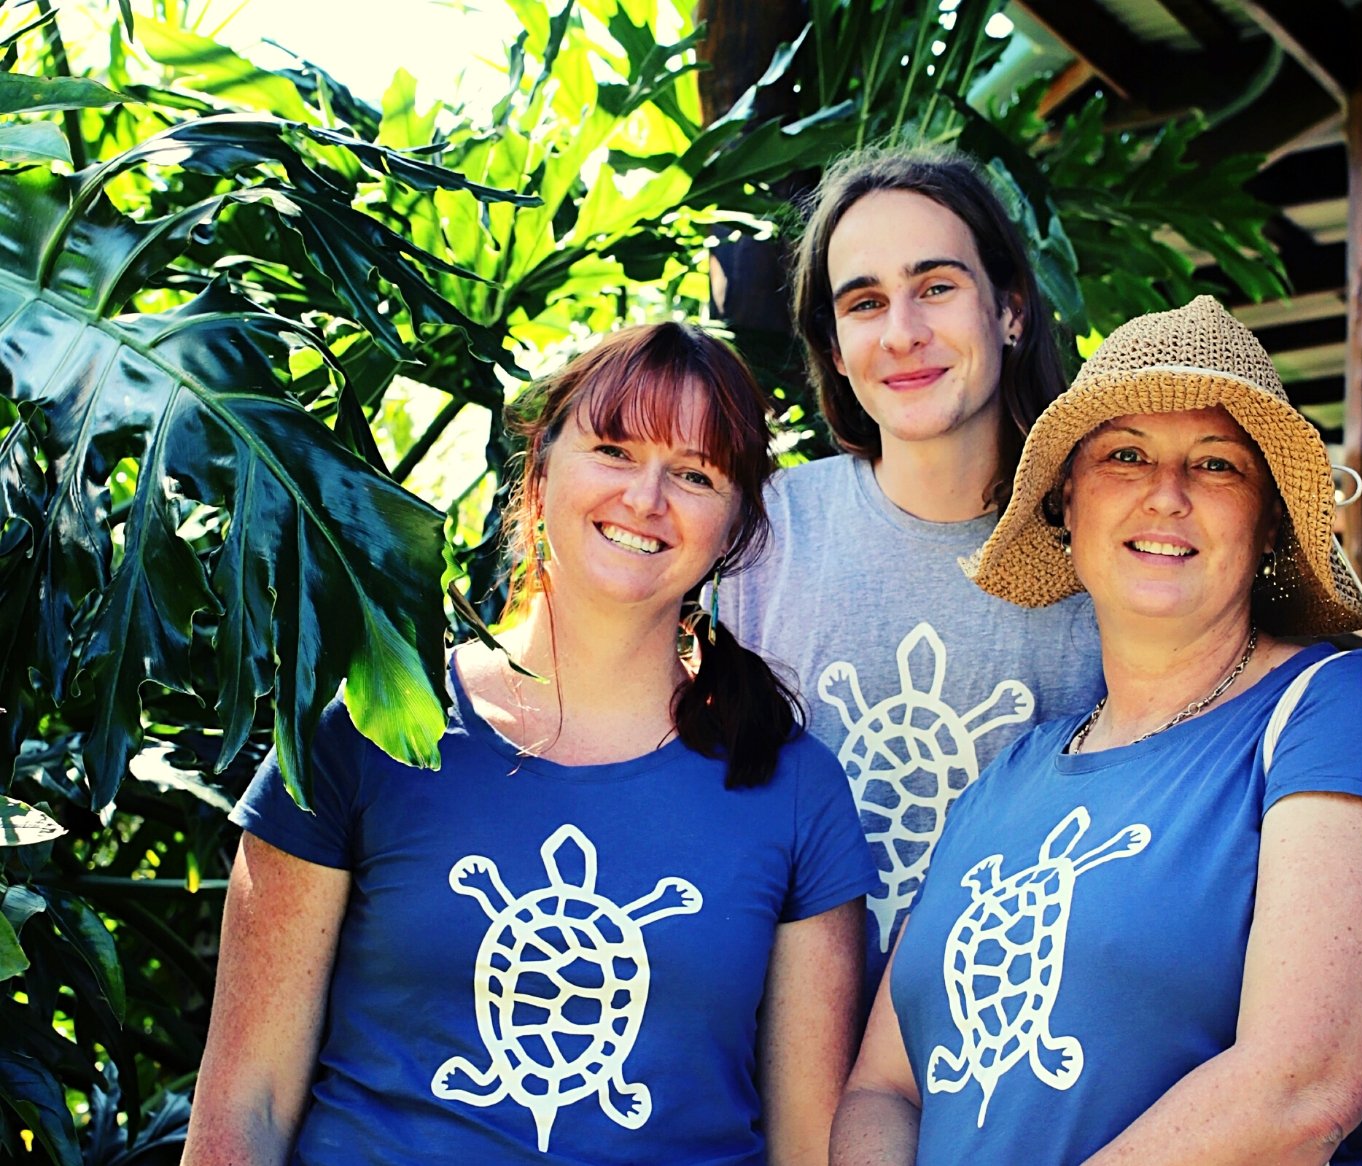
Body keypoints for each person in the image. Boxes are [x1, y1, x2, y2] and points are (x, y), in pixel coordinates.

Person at [185, 323, 878, 1166]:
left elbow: (809, 1149)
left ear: (734, 528)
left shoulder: (792, 789)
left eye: (694, 473)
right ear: (540, 470)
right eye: (616, 450)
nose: (646, 498)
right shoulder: (373, 728)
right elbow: (241, 1109)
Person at [832, 297, 1362, 1165]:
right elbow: (885, 1086)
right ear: (1068, 501)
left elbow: (1297, 1096)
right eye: (1126, 455)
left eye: (1216, 465)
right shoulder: (1011, 776)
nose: (1167, 495)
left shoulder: (1340, 714)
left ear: (1266, 524)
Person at [711, 147, 1104, 993]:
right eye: (864, 303)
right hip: (783, 1051)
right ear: (835, 348)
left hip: (1026, 1039)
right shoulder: (760, 534)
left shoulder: (1106, 547)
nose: (902, 333)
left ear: (1011, 310)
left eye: (936, 287)